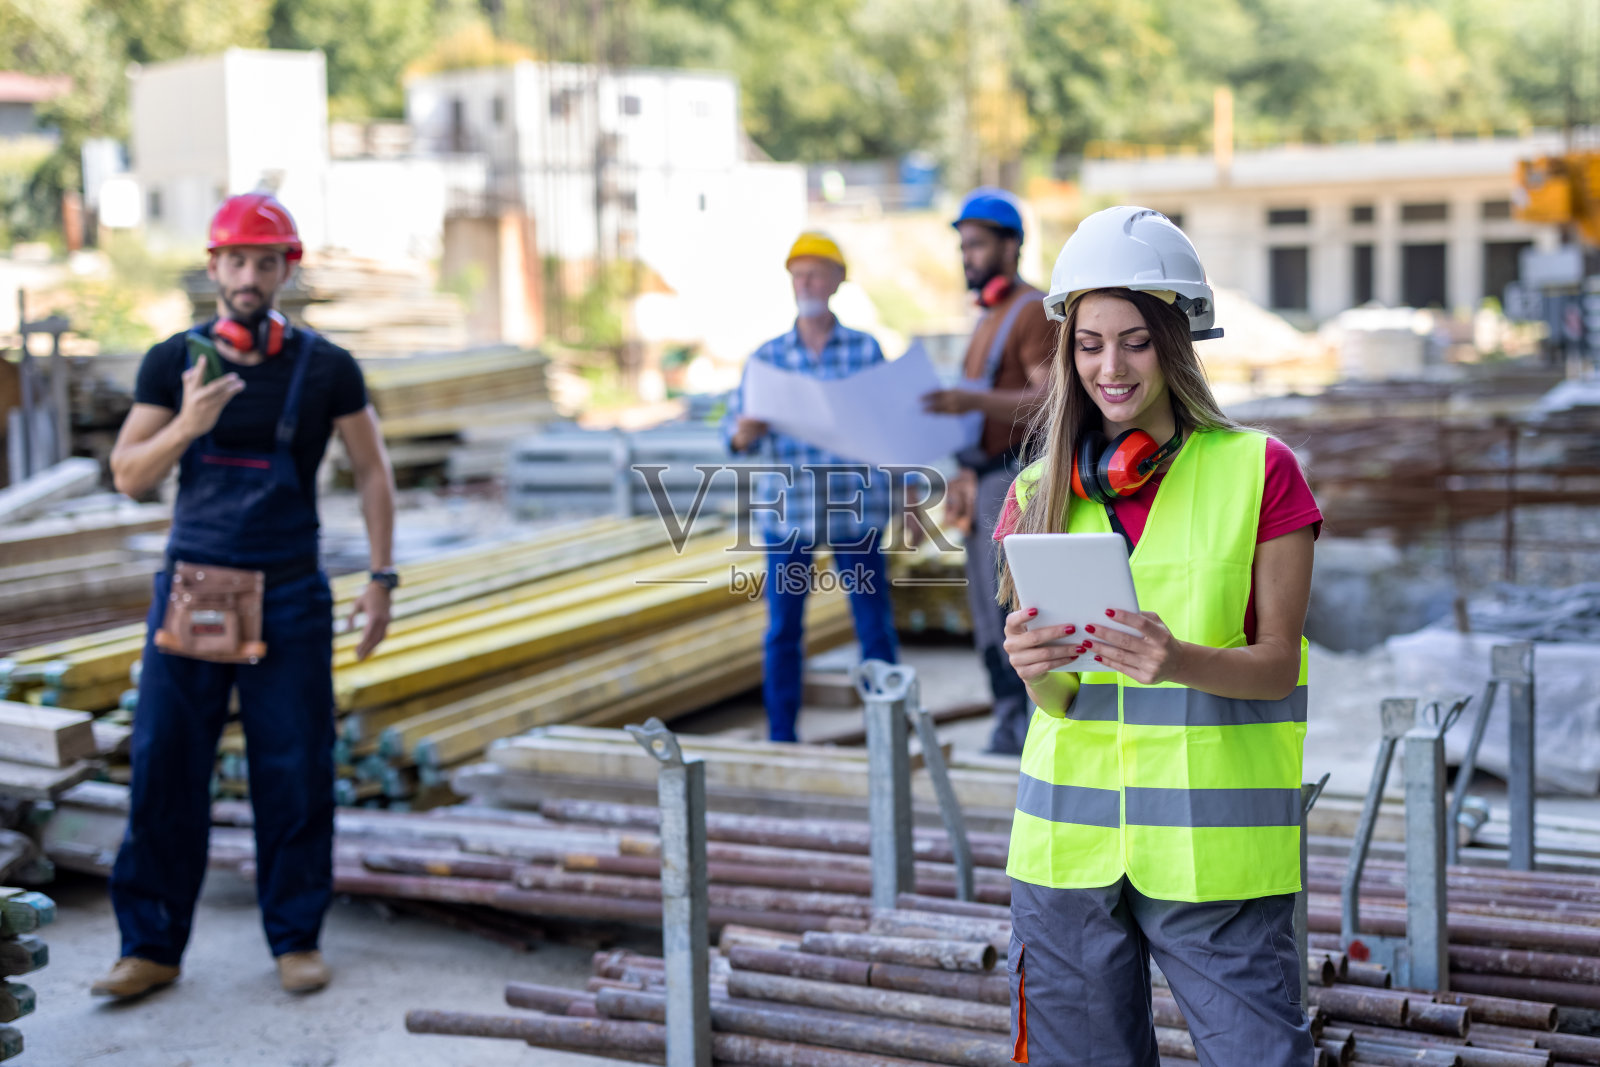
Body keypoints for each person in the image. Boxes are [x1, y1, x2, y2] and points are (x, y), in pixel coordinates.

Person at [994, 206, 1322, 1066]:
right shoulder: (1036, 491)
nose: (1111, 367)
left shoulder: (1261, 471)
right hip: (1067, 855)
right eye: (1090, 344)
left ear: (1176, 343)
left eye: (1135, 342)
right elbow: (1061, 700)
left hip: (1214, 861)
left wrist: (1177, 659)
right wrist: (1032, 669)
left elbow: (1277, 666)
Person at [95, 193, 398, 999]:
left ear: (286, 270)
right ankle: (150, 947)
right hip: (195, 589)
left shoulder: (328, 367)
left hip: (290, 591)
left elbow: (373, 470)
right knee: (165, 763)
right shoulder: (173, 362)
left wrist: (380, 578)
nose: (250, 277)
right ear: (214, 266)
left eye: (267, 262)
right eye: (236, 260)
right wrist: (187, 424)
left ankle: (296, 938)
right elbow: (128, 476)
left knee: (294, 767)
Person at [721, 232, 899, 743]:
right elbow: (733, 435)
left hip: (855, 510)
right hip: (790, 513)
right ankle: (782, 737)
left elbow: (889, 427)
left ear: (838, 281)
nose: (806, 283)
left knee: (873, 624)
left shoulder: (864, 350)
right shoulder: (768, 357)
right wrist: (745, 432)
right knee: (784, 630)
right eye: (798, 274)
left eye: (816, 273)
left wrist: (906, 489)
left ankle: (887, 732)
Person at [921, 187, 1055, 755]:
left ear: (1011, 245)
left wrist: (969, 402)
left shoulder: (1032, 311)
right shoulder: (987, 318)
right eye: (963, 247)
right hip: (982, 477)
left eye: (976, 245)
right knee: (984, 612)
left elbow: (1049, 399)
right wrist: (962, 473)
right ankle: (1007, 721)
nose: (967, 257)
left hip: (1016, 477)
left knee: (1011, 607)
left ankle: (1029, 724)